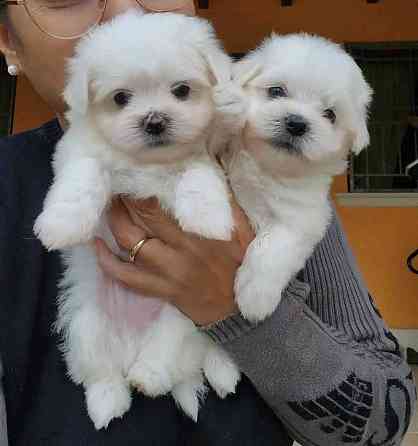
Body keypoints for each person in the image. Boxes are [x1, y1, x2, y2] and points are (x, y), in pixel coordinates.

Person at [0, 1, 416, 445]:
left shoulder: (269, 167)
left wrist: (235, 313)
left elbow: (381, 420)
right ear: (8, 42)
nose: (127, 14)